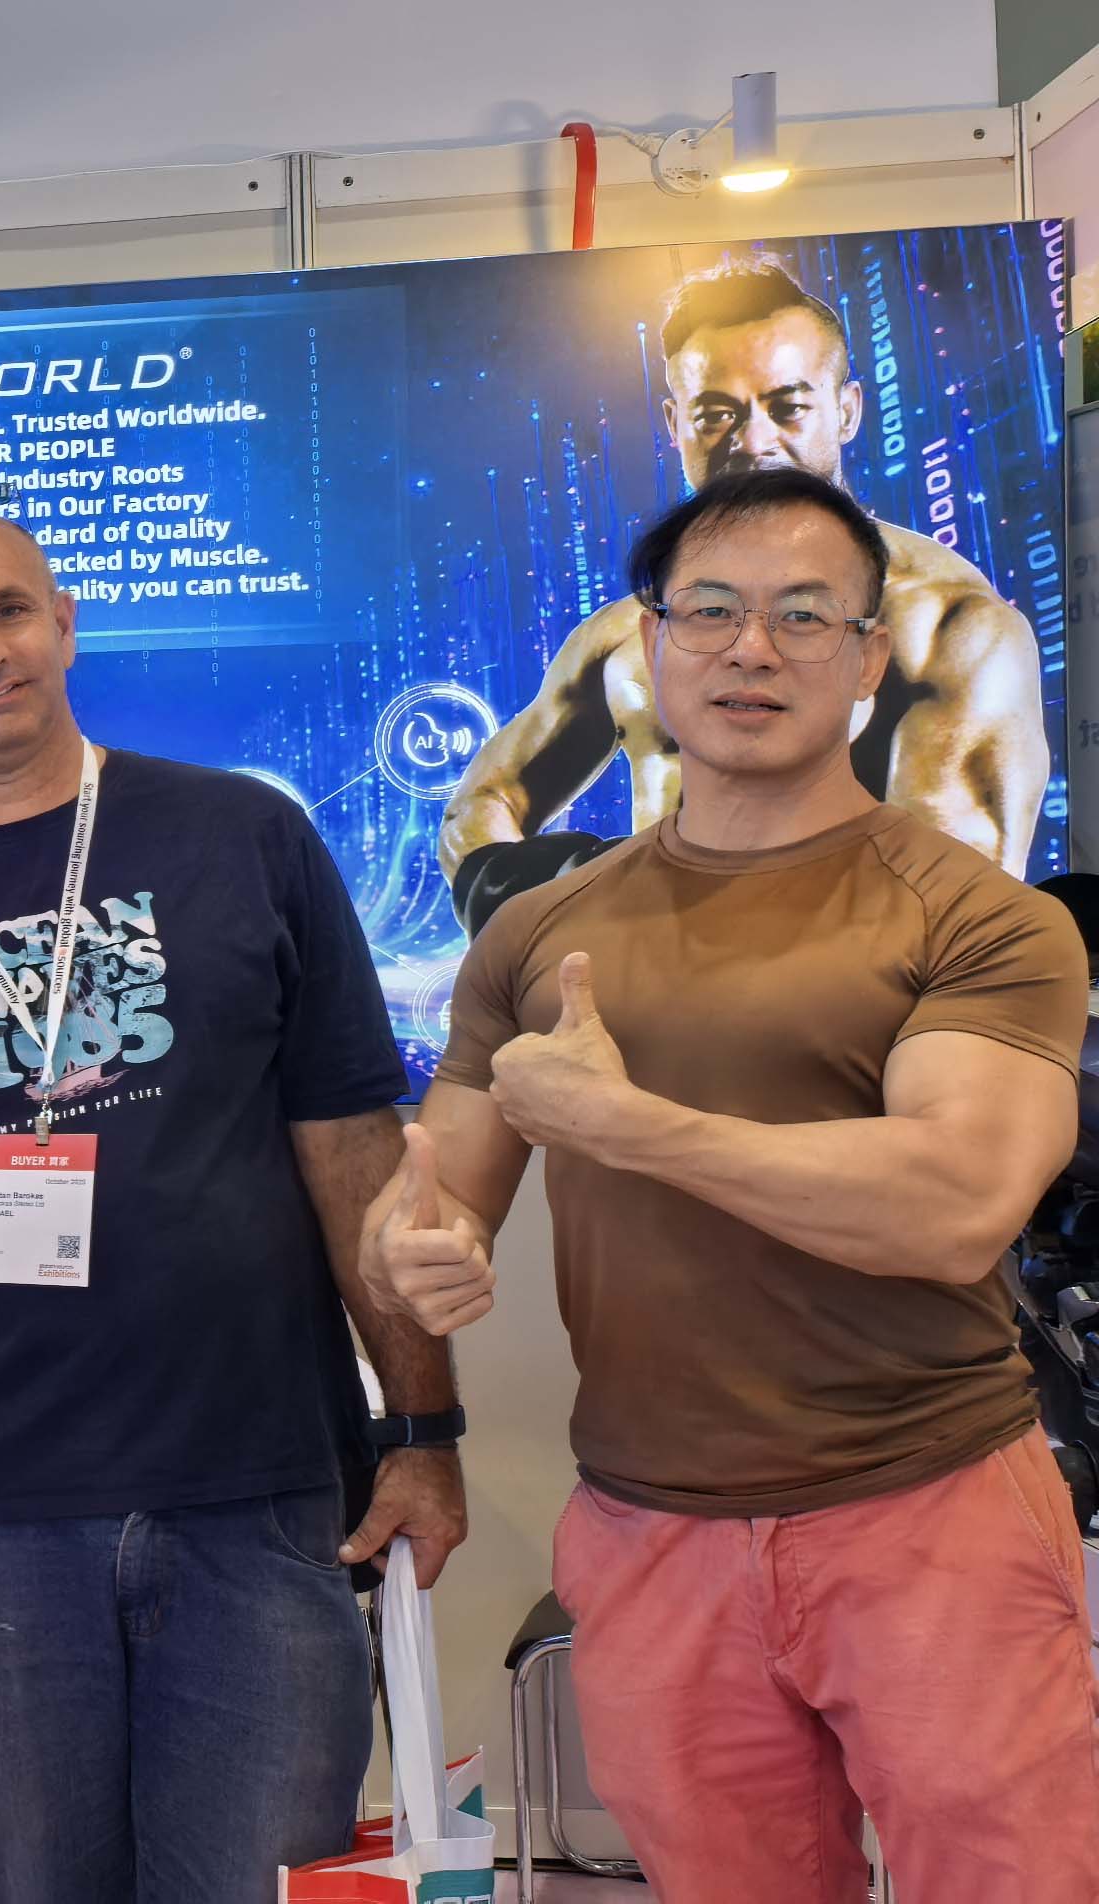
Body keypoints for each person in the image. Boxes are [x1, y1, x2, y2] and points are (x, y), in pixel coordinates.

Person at [372, 467, 1099, 1902]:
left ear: (868, 659)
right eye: (708, 610)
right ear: (651, 645)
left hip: (928, 1505)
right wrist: (420, 1247)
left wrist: (634, 1126)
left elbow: (953, 1201)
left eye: (801, 615)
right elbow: (436, 1191)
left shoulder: (982, 915)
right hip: (650, 1522)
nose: (749, 648)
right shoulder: (537, 932)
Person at [0, 510, 468, 1901]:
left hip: (256, 1495)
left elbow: (353, 1157)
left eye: (12, 610)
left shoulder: (245, 838)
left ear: (66, 624)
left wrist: (425, 1430)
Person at [443, 252, 1044, 902]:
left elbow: (950, 905)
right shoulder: (624, 633)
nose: (754, 443)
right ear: (676, 426)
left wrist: (674, 917)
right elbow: (479, 809)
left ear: (846, 412)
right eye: (716, 415)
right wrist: (570, 911)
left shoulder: (947, 629)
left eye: (788, 407)